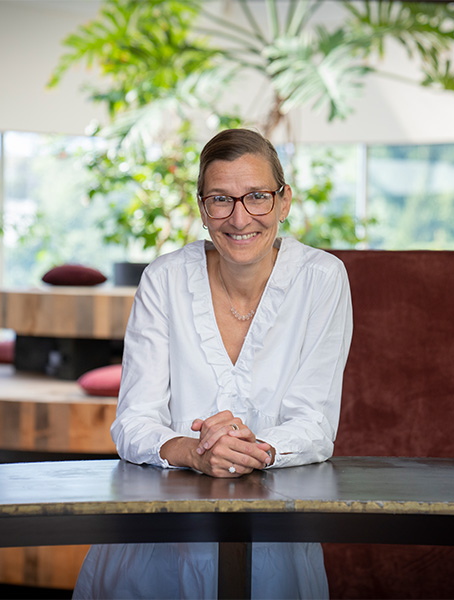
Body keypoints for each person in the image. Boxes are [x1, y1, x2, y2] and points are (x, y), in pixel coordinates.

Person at [73, 128, 353, 599]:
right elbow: (134, 422)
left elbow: (314, 422)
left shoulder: (322, 279)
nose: (240, 218)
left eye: (257, 196)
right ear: (203, 210)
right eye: (221, 199)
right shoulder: (163, 279)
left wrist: (251, 449)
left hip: (273, 543)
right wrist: (192, 452)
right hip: (157, 544)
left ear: (284, 202)